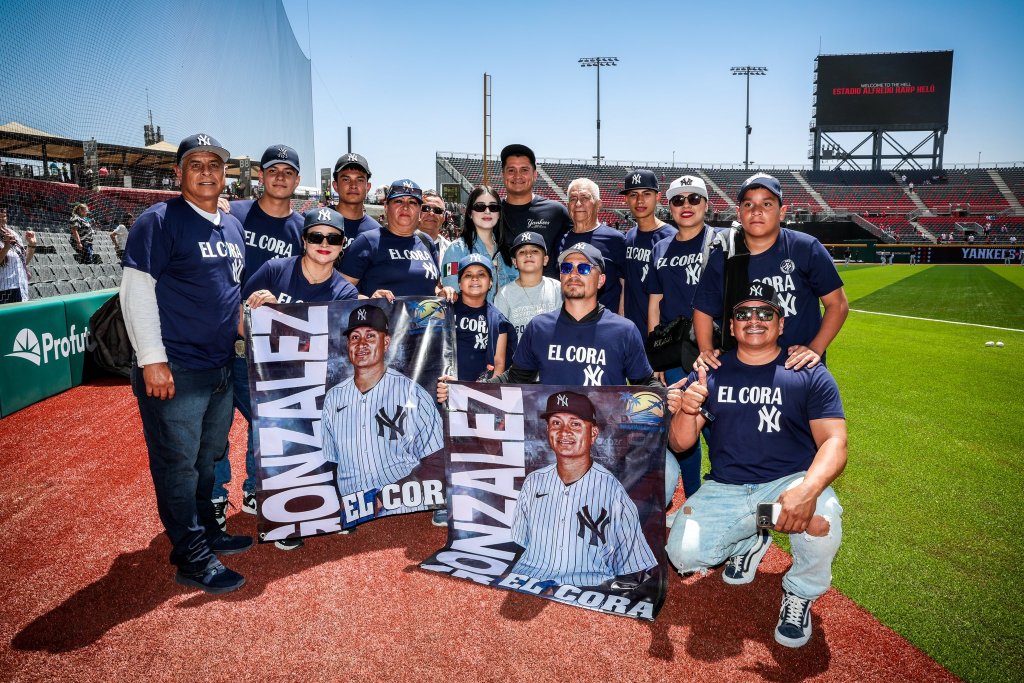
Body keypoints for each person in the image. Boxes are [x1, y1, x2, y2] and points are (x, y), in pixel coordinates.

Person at [666, 281, 847, 648]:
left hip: (788, 483)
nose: (754, 320)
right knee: (682, 555)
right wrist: (687, 408)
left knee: (821, 519)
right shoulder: (711, 371)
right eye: (743, 313)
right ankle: (751, 535)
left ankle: (800, 592)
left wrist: (808, 490)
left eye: (766, 313)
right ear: (731, 326)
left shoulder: (806, 370)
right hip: (727, 487)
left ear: (781, 324)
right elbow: (680, 442)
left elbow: (835, 442)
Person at [120, 133, 251, 594]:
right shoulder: (158, 221)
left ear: (225, 173)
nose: (206, 172)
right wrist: (152, 359)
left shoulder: (231, 226)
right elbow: (135, 293)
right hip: (174, 368)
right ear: (178, 173)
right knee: (176, 464)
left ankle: (206, 532)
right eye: (195, 164)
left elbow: (229, 294)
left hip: (217, 368)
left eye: (214, 164)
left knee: (204, 458)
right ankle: (191, 555)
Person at [242, 207, 363, 548]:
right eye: (316, 236)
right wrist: (254, 310)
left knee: (327, 440)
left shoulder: (345, 293)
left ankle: (321, 507)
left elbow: (342, 349)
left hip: (317, 380)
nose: (324, 244)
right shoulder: (273, 270)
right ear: (303, 239)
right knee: (279, 443)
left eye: (333, 238)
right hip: (272, 380)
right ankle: (283, 513)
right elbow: (239, 326)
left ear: (342, 246)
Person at [210, 144, 305, 532]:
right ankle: (216, 493)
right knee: (213, 424)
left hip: (267, 344)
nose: (280, 177)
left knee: (262, 421)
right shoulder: (234, 212)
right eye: (273, 170)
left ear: (297, 180)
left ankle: (253, 485)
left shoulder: (303, 227)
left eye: (288, 171)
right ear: (261, 176)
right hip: (219, 335)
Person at [438, 243, 657, 394]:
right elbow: (514, 379)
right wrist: (462, 388)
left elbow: (646, 384)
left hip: (605, 439)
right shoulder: (540, 327)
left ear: (600, 280)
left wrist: (673, 396)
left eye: (583, 268)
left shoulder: (624, 330)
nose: (573, 274)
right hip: (553, 440)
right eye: (566, 268)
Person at [692, 173, 848, 372]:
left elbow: (838, 304)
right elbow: (703, 308)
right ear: (738, 213)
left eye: (766, 204)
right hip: (744, 367)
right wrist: (706, 350)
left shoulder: (805, 247)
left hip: (798, 368)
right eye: (748, 205)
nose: (756, 211)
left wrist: (815, 349)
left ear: (782, 212)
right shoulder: (724, 253)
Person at [509, 390, 658, 588]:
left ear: (593, 433)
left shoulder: (612, 489)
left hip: (588, 586)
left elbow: (632, 565)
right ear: (547, 430)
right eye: (556, 423)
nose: (564, 432)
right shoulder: (533, 481)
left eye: (575, 424)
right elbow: (520, 543)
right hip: (529, 577)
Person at [322, 304, 444, 519]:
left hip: (402, 507)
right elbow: (329, 463)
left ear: (386, 342)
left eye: (370, 336)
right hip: (351, 509)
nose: (361, 344)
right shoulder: (333, 398)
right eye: (354, 337)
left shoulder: (411, 392)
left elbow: (437, 461)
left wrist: (386, 497)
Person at [647, 175, 720, 505]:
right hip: (676, 355)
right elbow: (654, 304)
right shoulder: (660, 247)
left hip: (716, 352)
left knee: (719, 432)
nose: (686, 205)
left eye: (694, 199)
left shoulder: (724, 242)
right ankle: (692, 505)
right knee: (684, 431)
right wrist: (655, 359)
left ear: (706, 204)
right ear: (670, 206)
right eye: (678, 200)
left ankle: (722, 504)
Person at [341, 180, 455, 301]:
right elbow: (341, 291)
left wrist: (442, 292)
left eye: (412, 202)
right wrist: (370, 300)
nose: (405, 207)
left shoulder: (426, 242)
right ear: (386, 207)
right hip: (381, 318)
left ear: (419, 211)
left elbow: (431, 286)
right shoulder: (368, 241)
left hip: (424, 318)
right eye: (398, 201)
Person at [498, 144, 571, 278]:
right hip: (503, 296)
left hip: (548, 296)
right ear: (503, 175)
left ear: (535, 174)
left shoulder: (556, 211)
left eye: (524, 170)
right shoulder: (490, 213)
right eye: (511, 170)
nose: (517, 176)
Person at [621, 169, 676, 341]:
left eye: (646, 193)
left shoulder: (670, 237)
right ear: (626, 199)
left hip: (660, 333)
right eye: (633, 194)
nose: (640, 200)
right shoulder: (629, 236)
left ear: (658, 197)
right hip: (631, 333)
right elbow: (625, 282)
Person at [558, 178, 626, 311]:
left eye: (585, 198)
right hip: (570, 322)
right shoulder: (561, 241)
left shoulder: (615, 240)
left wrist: (621, 318)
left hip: (606, 324)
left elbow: (626, 285)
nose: (578, 203)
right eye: (573, 199)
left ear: (598, 204)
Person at [441, 185, 517, 300]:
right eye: (480, 207)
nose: (487, 211)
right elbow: (452, 295)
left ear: (499, 214)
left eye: (493, 207)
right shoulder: (455, 250)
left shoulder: (509, 252)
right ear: (470, 213)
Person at [493, 231, 562, 336]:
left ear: (545, 260)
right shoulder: (504, 294)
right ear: (515, 262)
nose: (528, 254)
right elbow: (499, 335)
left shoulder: (557, 289)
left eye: (535, 251)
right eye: (521, 252)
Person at [332, 152, 380, 250]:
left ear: (368, 187)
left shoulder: (378, 232)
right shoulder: (315, 222)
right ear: (335, 185)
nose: (353, 185)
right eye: (346, 179)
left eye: (360, 180)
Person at [0, 206, 36, 304]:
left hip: (20, 286)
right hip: (4, 290)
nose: (2, 219)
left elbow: (24, 261)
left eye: (4, 216)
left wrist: (32, 245)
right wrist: (6, 247)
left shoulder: (13, 233)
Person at [419, 189, 451, 254]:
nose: (431, 213)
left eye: (437, 210)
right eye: (425, 208)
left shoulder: (453, 250)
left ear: (444, 216)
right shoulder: (397, 246)